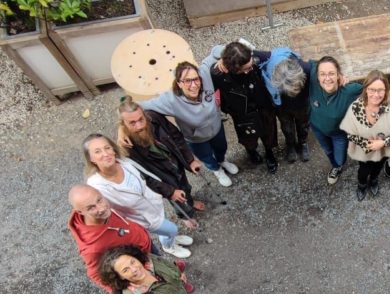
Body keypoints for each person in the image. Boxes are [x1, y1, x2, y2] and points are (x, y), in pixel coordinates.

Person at [82, 134, 192, 259]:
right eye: (97, 151)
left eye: (107, 148)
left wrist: (169, 192)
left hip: (154, 205)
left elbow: (147, 177)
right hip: (142, 219)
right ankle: (169, 246)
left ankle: (169, 238)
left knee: (167, 228)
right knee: (172, 229)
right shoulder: (96, 186)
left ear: (113, 149)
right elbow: (101, 213)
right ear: (91, 158)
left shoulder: (125, 162)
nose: (106, 153)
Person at [131, 59, 237, 187]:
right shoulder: (170, 100)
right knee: (207, 157)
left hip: (216, 128)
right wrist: (123, 128)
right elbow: (140, 106)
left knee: (221, 148)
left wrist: (224, 56)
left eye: (196, 79)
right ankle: (217, 170)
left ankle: (222, 161)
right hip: (196, 138)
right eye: (187, 81)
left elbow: (216, 51)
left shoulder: (204, 76)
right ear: (179, 83)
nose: (194, 85)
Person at [308, 57, 390, 185]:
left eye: (331, 73)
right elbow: (309, 62)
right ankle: (335, 166)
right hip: (317, 128)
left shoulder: (349, 90)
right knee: (327, 151)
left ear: (338, 74)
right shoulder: (313, 80)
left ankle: (338, 165)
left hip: (339, 133)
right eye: (323, 74)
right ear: (317, 76)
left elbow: (374, 88)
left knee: (340, 158)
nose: (327, 78)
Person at [117, 97, 208, 218]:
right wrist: (170, 192)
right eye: (132, 123)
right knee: (177, 200)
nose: (139, 126)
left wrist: (190, 160)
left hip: (176, 165)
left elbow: (176, 136)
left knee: (185, 187)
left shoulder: (154, 117)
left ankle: (190, 201)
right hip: (164, 179)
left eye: (141, 119)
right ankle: (184, 215)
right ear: (123, 125)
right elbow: (145, 177)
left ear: (145, 115)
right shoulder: (127, 149)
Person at [98, 245, 217, 294]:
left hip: (180, 292)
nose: (134, 269)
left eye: (133, 262)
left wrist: (177, 273)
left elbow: (166, 264)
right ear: (120, 277)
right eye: (125, 270)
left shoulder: (150, 260)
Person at [68, 184, 153, 292]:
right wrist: (124, 291)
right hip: (140, 264)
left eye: (99, 200)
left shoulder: (101, 210)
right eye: (91, 208)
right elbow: (95, 274)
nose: (102, 208)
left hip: (146, 244)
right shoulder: (92, 247)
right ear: (80, 212)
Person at [212, 41, 280, 174]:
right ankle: (251, 151)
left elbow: (270, 55)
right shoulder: (218, 74)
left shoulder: (254, 60)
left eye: (251, 64)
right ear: (234, 68)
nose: (251, 68)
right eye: (246, 68)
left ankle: (269, 152)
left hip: (263, 106)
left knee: (269, 132)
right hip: (242, 113)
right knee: (248, 137)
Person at [339, 70, 390, 201]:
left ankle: (374, 180)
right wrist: (369, 145)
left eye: (380, 90)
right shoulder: (356, 107)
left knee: (378, 167)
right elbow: (350, 133)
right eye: (372, 90)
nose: (376, 95)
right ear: (366, 89)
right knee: (363, 170)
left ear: (386, 90)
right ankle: (362, 185)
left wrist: (384, 142)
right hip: (364, 151)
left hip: (384, 148)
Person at [268, 54, 312, 163]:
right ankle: (290, 145)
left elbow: (325, 67)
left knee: (303, 125)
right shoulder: (274, 69)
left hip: (302, 104)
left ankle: (303, 142)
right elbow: (252, 53)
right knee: (287, 127)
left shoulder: (307, 68)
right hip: (282, 106)